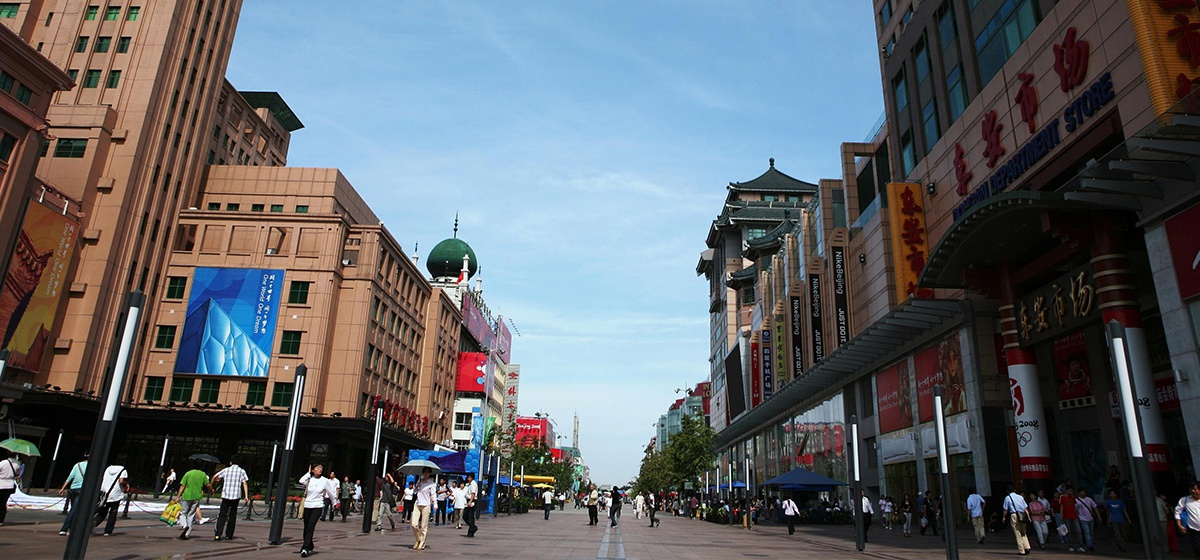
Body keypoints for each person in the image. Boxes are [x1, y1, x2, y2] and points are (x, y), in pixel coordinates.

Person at [211, 455, 249, 541]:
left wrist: (211, 487)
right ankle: (229, 535)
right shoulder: (241, 471)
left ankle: (218, 534)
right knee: (232, 515)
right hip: (236, 495)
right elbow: (244, 483)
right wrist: (246, 496)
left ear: (231, 462)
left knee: (222, 515)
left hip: (226, 495)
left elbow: (215, 476)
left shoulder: (226, 470)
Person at [298, 464, 332, 558]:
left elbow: (331, 493)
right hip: (308, 505)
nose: (320, 469)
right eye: (318, 468)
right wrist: (308, 473)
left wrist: (335, 503)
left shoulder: (325, 480)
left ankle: (305, 548)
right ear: (313, 470)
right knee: (306, 526)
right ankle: (310, 545)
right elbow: (301, 481)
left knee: (311, 526)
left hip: (318, 506)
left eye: (321, 468)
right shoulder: (309, 479)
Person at [176, 463, 210, 540]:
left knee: (183, 512)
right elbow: (207, 485)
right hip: (196, 497)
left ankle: (184, 525)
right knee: (191, 515)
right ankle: (187, 534)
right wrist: (211, 490)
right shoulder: (202, 474)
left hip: (187, 496)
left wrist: (178, 496)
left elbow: (182, 486)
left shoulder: (188, 473)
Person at [58, 453, 89, 535]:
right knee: (74, 510)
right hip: (82, 489)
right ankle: (64, 528)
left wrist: (62, 488)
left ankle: (71, 528)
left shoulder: (77, 465)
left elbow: (70, 476)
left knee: (74, 509)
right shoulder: (91, 466)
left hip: (73, 489)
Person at [93, 464, 128, 536]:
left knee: (103, 512)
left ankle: (95, 522)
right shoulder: (122, 470)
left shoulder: (108, 468)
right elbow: (121, 481)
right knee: (113, 513)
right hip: (116, 494)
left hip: (105, 493)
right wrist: (126, 484)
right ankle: (108, 531)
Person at [411, 466, 437, 550]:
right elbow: (415, 492)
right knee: (414, 524)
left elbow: (433, 494)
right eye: (425, 472)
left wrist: (435, 504)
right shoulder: (419, 481)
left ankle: (422, 542)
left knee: (423, 526)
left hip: (426, 505)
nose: (426, 473)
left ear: (430, 474)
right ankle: (418, 539)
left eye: (428, 472)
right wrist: (417, 487)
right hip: (417, 504)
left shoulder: (432, 483)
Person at [1002, 485, 1031, 555]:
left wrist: (1004, 517)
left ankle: (1022, 550)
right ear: (1014, 490)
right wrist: (1028, 517)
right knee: (1023, 532)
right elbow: (1025, 508)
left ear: (1007, 491)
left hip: (1014, 514)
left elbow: (1005, 509)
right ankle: (1027, 546)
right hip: (1023, 515)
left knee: (1017, 532)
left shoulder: (1008, 498)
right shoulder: (1020, 497)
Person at [1176, 482, 1200, 558]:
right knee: (1198, 549)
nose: (1193, 491)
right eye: (1191, 489)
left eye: (1195, 489)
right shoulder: (1184, 500)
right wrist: (1179, 525)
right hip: (1194, 530)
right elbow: (1177, 512)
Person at [0, 452, 22, 526]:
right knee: (3, 502)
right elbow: (17, 474)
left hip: (1, 484)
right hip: (10, 485)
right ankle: (1, 520)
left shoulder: (3, 462)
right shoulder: (18, 463)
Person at [1076, 488, 1100, 552]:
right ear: (1079, 493)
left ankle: (1090, 543)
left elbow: (1094, 507)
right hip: (1082, 518)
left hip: (1090, 518)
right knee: (1087, 532)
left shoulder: (1089, 499)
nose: (1083, 493)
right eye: (1082, 491)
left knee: (1091, 532)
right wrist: (1077, 517)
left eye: (1084, 491)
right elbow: (1075, 509)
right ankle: (1090, 545)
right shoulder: (1077, 500)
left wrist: (1098, 516)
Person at [1061, 486, 1082, 551]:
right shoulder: (1063, 497)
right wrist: (1061, 516)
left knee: (1078, 531)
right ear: (1066, 491)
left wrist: (1077, 515)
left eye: (1071, 491)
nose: (1071, 492)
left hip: (1074, 516)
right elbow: (1062, 507)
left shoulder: (1073, 498)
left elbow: (1074, 507)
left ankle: (1080, 546)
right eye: (1070, 491)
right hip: (1066, 516)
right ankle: (1070, 545)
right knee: (1069, 532)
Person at [463, 472, 479, 537]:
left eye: (469, 477)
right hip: (468, 500)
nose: (468, 478)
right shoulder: (469, 484)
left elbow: (473, 493)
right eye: (468, 477)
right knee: (465, 516)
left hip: (472, 500)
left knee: (470, 516)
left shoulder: (473, 484)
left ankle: (471, 531)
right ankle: (473, 528)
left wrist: (470, 501)